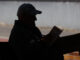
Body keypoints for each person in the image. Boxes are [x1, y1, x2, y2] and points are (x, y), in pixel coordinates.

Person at [8, 3, 80, 60]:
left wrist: (49, 39)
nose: (35, 19)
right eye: (32, 16)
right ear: (23, 17)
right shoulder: (17, 33)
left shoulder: (32, 29)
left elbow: (38, 41)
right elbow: (26, 55)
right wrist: (43, 43)